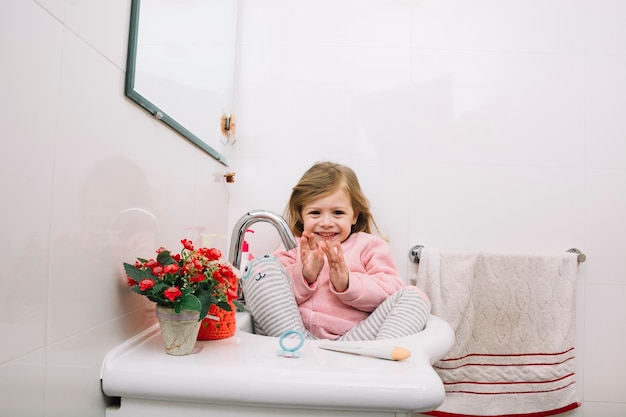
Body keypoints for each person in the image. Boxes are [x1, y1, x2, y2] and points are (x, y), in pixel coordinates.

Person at [241, 161, 431, 341]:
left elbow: (390, 289)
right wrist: (304, 275)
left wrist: (348, 283)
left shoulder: (369, 246)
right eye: (315, 213)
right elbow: (270, 294)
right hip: (295, 337)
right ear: (301, 215)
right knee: (261, 268)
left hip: (354, 342)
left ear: (354, 215)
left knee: (415, 297)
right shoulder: (293, 246)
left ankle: (378, 361)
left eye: (338, 213)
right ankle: (295, 346)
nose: (326, 223)